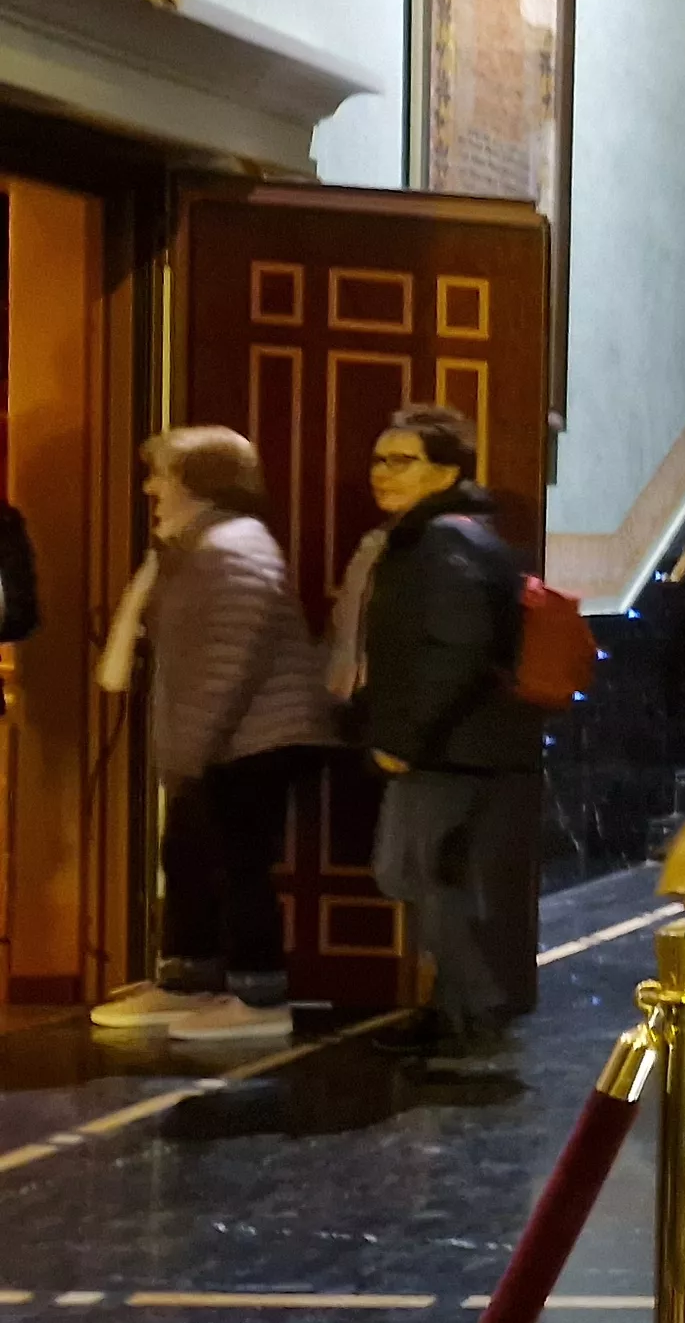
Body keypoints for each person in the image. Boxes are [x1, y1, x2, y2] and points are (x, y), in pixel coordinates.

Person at [90, 428, 337, 1041]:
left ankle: (258, 997)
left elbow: (226, 668)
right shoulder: (198, 547)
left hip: (254, 739)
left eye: (163, 476)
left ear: (199, 483)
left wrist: (186, 757)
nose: (151, 488)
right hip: (229, 739)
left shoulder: (231, 548)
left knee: (237, 863)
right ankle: (188, 981)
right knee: (192, 855)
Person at [332, 403, 543, 1070]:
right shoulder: (437, 535)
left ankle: (470, 1014)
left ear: (445, 471)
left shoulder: (442, 540)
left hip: (448, 750)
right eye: (378, 459)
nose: (381, 473)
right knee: (428, 876)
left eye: (402, 461)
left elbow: (455, 649)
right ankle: (454, 1011)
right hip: (452, 747)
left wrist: (405, 738)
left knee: (419, 874)